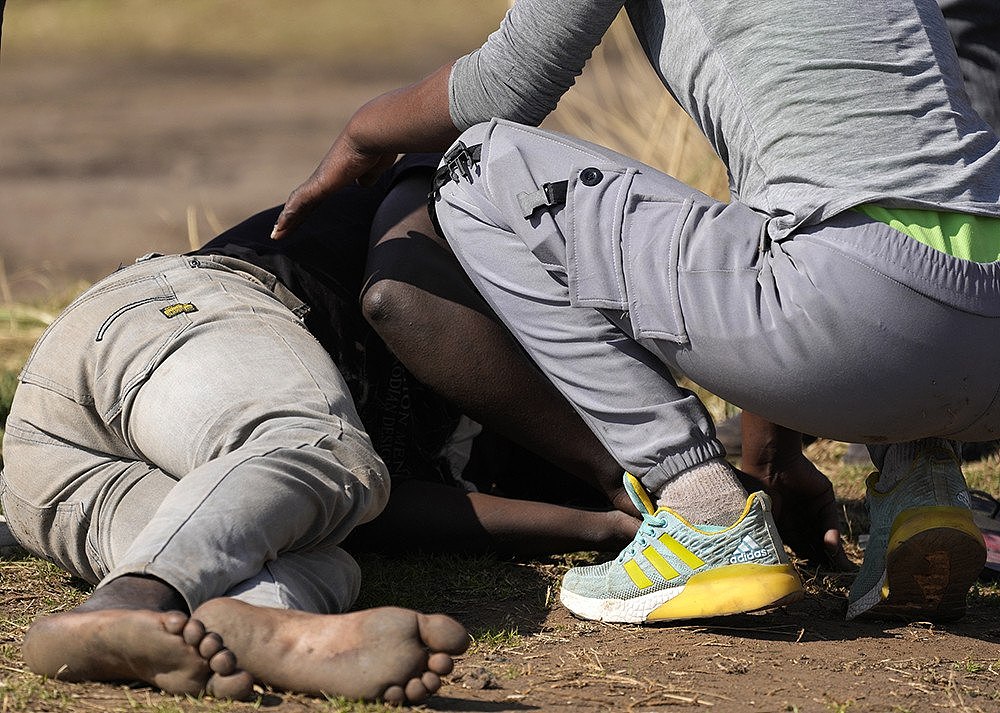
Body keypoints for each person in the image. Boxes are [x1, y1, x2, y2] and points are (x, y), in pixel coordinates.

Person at [270, 0, 998, 626]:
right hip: (982, 337)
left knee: (477, 165)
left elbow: (505, 85)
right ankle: (924, 488)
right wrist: (771, 451)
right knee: (891, 180)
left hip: (856, 312)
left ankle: (698, 511)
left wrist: (365, 129)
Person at [0, 158, 477, 704]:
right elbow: (395, 291)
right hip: (163, 325)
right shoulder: (458, 187)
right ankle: (138, 596)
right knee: (317, 447)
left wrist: (595, 522)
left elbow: (401, 515)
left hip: (49, 477)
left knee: (318, 552)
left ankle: (259, 622)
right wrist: (600, 506)